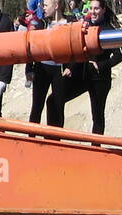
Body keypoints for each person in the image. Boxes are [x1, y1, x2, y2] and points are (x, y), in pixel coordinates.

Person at [30, 0, 83, 128]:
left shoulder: (70, 23)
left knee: (57, 107)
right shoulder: (41, 24)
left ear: (57, 6)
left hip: (60, 70)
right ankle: (31, 138)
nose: (43, 8)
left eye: (46, 5)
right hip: (42, 68)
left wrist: (71, 67)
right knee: (37, 106)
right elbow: (32, 46)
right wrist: (29, 69)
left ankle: (54, 140)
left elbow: (77, 47)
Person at [83, 0, 122, 134]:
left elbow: (119, 55)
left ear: (103, 9)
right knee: (55, 99)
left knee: (97, 115)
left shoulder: (109, 30)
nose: (93, 12)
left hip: (100, 79)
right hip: (83, 75)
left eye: (96, 9)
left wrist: (100, 65)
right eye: (91, 8)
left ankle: (96, 147)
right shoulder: (86, 26)